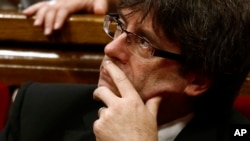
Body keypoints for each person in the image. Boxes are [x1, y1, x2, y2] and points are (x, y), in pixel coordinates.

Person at [1, 0, 250, 141]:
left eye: (143, 42)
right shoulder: (37, 112)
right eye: (120, 25)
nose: (111, 48)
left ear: (196, 80)